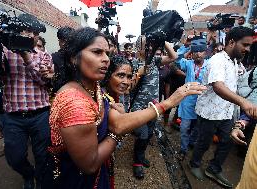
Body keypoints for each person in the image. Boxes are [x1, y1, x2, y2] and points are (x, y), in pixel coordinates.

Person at [41, 27, 206, 189]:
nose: (106, 58)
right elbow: (90, 164)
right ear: (73, 58)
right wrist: (167, 103)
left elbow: (116, 119)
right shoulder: (73, 102)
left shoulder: (92, 86)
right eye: (97, 52)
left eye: (106, 53)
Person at [0, 13, 52, 189]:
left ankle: (41, 182)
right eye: (26, 30)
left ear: (38, 35)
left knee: (43, 155)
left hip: (40, 114)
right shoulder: (5, 52)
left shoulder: (44, 56)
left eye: (34, 31)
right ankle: (28, 174)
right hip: (13, 116)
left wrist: (26, 57)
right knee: (14, 157)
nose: (30, 35)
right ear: (18, 31)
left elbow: (44, 81)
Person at [188, 26, 257, 188]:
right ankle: (194, 164)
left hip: (226, 113)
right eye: (245, 45)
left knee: (227, 141)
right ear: (232, 42)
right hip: (209, 113)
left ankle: (214, 168)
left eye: (249, 46)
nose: (247, 49)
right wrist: (243, 102)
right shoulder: (217, 60)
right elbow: (218, 86)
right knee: (203, 143)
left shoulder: (234, 62)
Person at [130, 36, 178, 179]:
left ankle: (141, 155)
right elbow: (128, 88)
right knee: (143, 134)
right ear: (139, 47)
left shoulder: (155, 61)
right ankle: (137, 163)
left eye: (152, 45)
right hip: (138, 108)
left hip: (154, 107)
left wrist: (163, 40)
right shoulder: (132, 63)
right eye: (147, 46)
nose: (151, 48)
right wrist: (139, 72)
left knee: (149, 133)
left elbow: (173, 56)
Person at [175, 36, 209, 161]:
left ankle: (191, 142)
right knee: (184, 128)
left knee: (197, 128)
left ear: (205, 52)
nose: (197, 54)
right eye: (195, 51)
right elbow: (176, 58)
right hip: (187, 103)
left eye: (200, 51)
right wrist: (187, 47)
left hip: (203, 103)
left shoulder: (210, 64)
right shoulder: (188, 64)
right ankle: (183, 149)